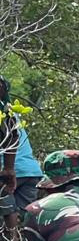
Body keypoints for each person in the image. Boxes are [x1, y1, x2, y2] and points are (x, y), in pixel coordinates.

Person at [0, 76, 42, 232]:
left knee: (8, 216)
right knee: (20, 222)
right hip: (31, 172)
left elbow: (12, 137)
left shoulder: (5, 115)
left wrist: (8, 169)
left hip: (8, 171)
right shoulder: (9, 112)